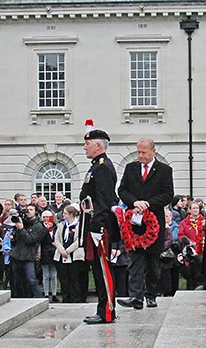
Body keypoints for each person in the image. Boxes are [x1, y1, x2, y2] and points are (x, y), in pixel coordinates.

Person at [117, 138, 174, 310]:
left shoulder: (164, 170)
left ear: (153, 151)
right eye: (138, 152)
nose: (140, 156)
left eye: (144, 152)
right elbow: (122, 190)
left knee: (152, 263)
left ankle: (151, 295)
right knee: (135, 261)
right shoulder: (131, 168)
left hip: (154, 223)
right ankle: (135, 296)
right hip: (134, 222)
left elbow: (167, 194)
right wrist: (135, 202)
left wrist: (148, 203)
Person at [80, 128, 119, 325]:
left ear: (98, 145)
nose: (85, 147)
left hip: (99, 225)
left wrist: (98, 227)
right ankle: (103, 309)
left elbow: (104, 200)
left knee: (103, 269)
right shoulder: (96, 166)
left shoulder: (102, 167)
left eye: (88, 143)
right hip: (94, 223)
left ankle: (107, 311)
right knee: (98, 268)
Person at [54, 205, 89, 303]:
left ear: (71, 214)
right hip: (62, 255)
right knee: (64, 278)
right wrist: (62, 251)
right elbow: (57, 239)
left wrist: (68, 251)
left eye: (65, 213)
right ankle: (66, 298)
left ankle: (76, 298)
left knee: (74, 278)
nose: (63, 215)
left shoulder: (79, 226)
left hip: (74, 256)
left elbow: (79, 240)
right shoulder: (61, 225)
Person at [10, 204, 45, 298]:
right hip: (17, 255)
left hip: (29, 257)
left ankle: (39, 299)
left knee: (32, 280)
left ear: (36, 212)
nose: (28, 211)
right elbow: (17, 239)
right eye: (27, 209)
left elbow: (30, 240)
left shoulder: (38, 226)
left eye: (31, 210)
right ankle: (20, 298)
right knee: (17, 281)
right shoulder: (23, 222)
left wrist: (21, 229)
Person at [40, 210, 59, 302]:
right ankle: (46, 293)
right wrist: (46, 230)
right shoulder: (41, 228)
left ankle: (54, 293)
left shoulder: (56, 228)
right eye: (44, 217)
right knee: (46, 274)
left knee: (54, 275)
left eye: (48, 217)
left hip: (54, 253)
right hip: (45, 253)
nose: (46, 219)